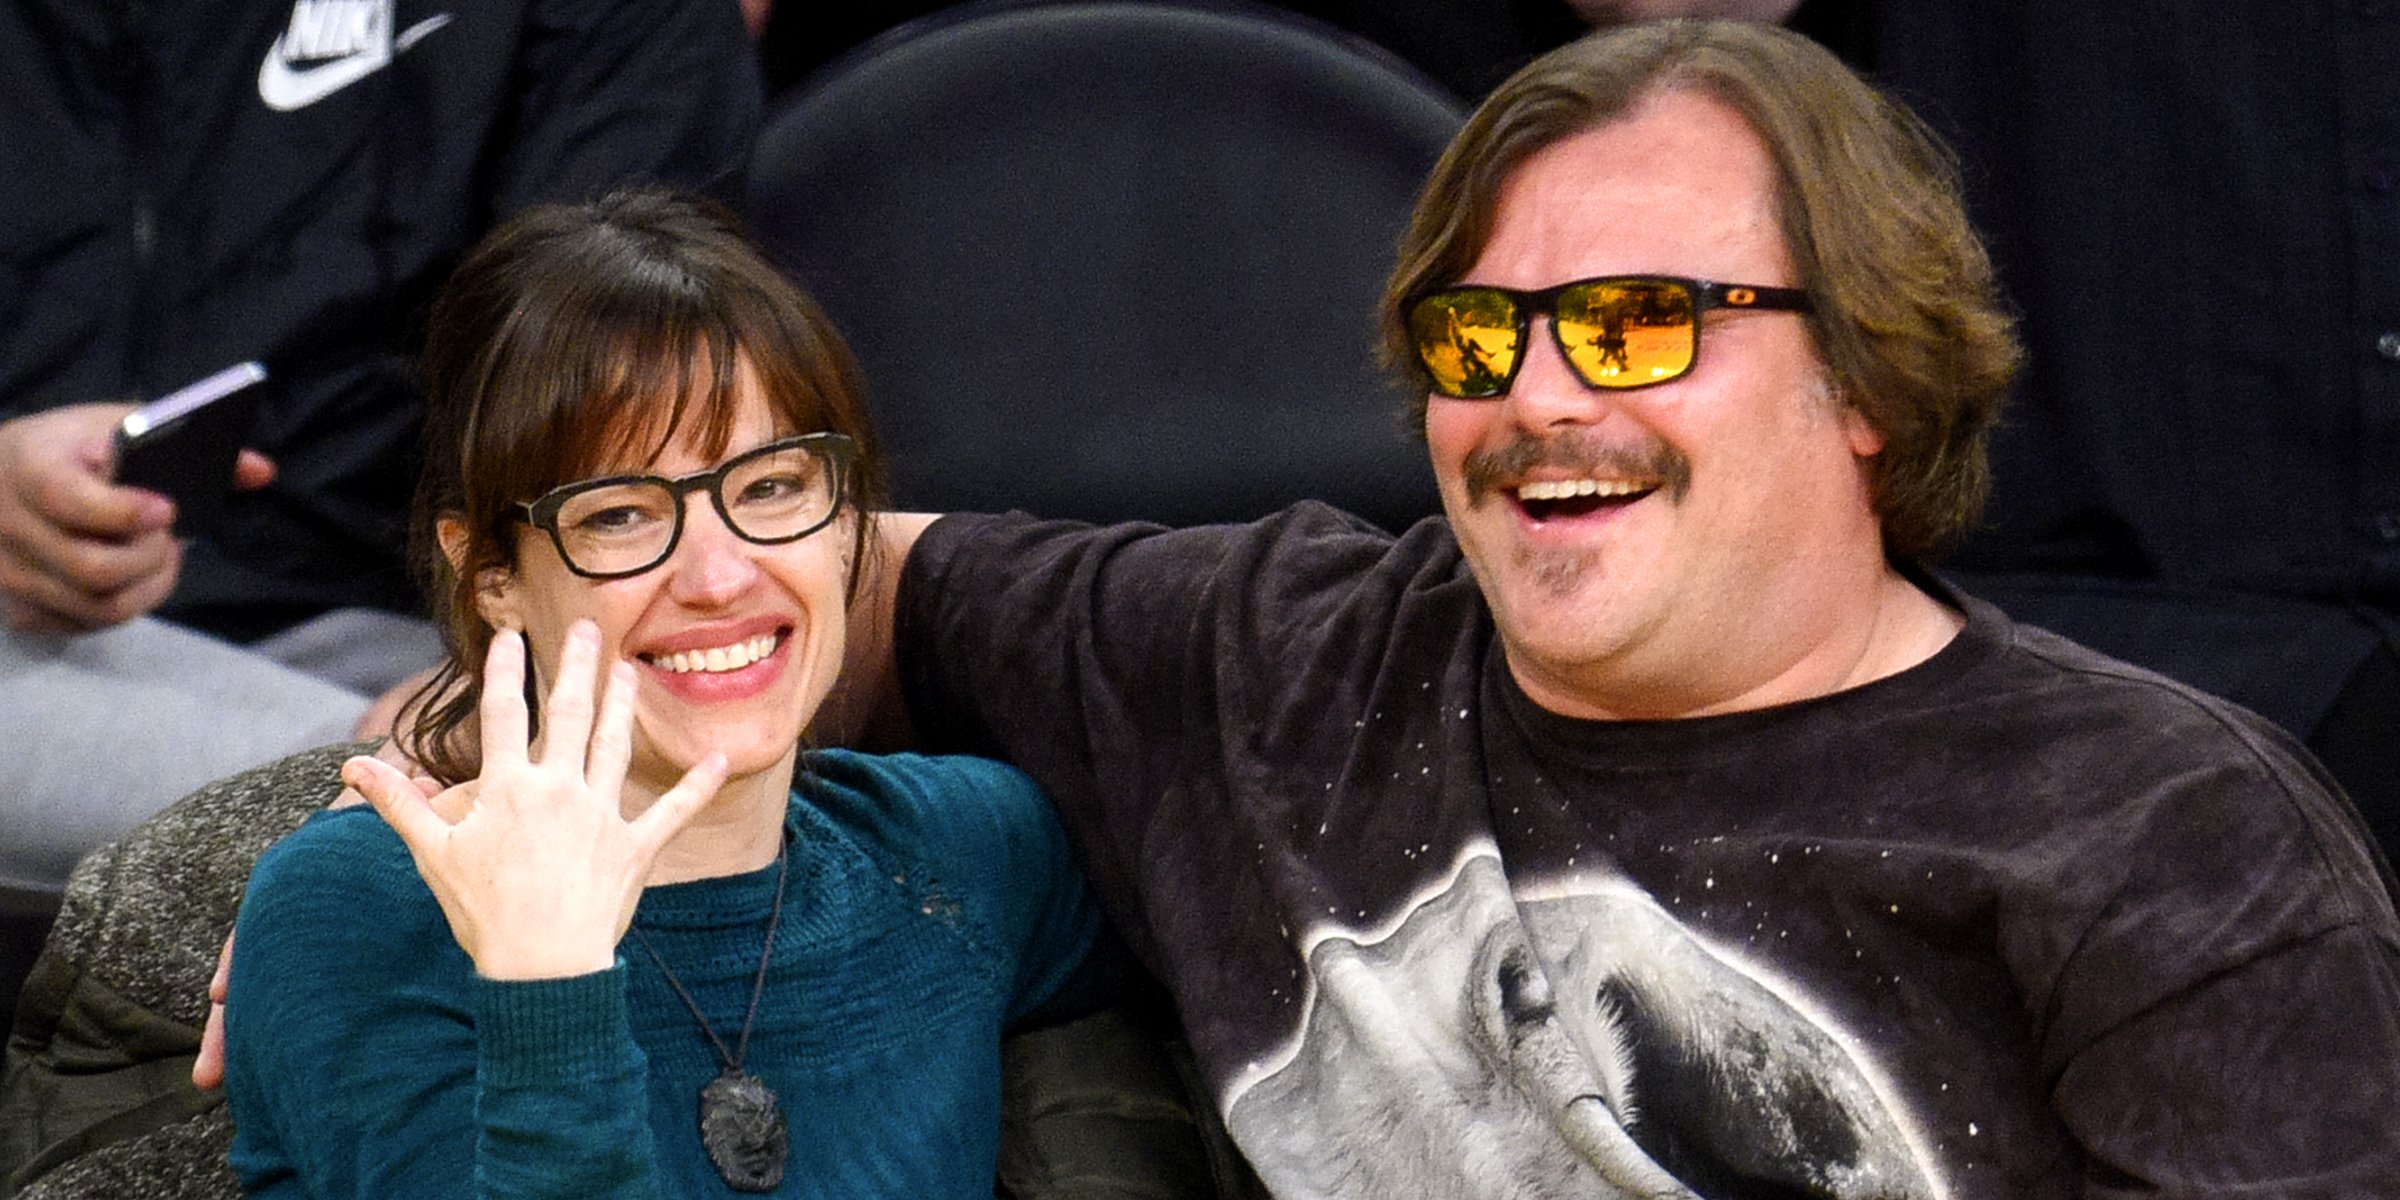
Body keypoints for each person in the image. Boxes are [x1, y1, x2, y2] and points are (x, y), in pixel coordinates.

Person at [846, 19, 2399, 1196]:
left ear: (1865, 376)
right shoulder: (1283, 655)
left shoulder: (2180, 851)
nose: (1535, 398)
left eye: (1637, 325)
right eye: (1477, 336)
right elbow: (792, 583)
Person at [219, 189, 1108, 1198]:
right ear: (491, 576)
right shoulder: (361, 907)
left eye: (773, 486)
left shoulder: (964, 855)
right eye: (620, 516)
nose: (720, 577)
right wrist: (546, 984)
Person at [0, 0, 763, 945]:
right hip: (35, 638)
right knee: (440, 843)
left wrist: (490, 672)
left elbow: (627, 404)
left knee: (502, 830)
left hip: (423, 631)